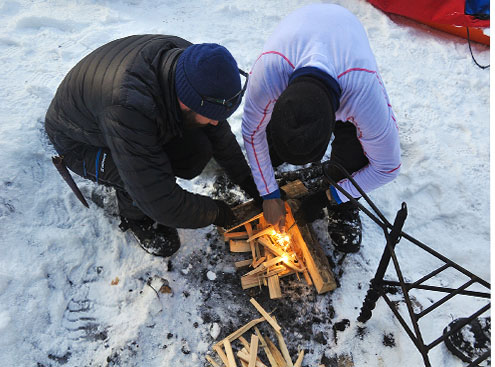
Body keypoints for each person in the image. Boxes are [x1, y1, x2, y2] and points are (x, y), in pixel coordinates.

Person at [45, 35, 258, 257]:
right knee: (135, 178)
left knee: (198, 148)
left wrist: (247, 180)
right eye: (212, 116)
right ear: (187, 101)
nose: (216, 122)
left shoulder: (193, 64)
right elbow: (161, 203)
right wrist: (216, 213)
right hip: (77, 141)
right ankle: (135, 217)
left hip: (116, 115)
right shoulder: (128, 109)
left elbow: (218, 131)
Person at [241, 4, 402, 253]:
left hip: (344, 34)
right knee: (271, 147)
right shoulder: (268, 75)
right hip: (298, 32)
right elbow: (253, 133)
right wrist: (269, 194)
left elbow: (387, 167)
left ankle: (344, 204)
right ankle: (277, 153)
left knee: (355, 152)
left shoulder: (363, 95)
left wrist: (334, 195)